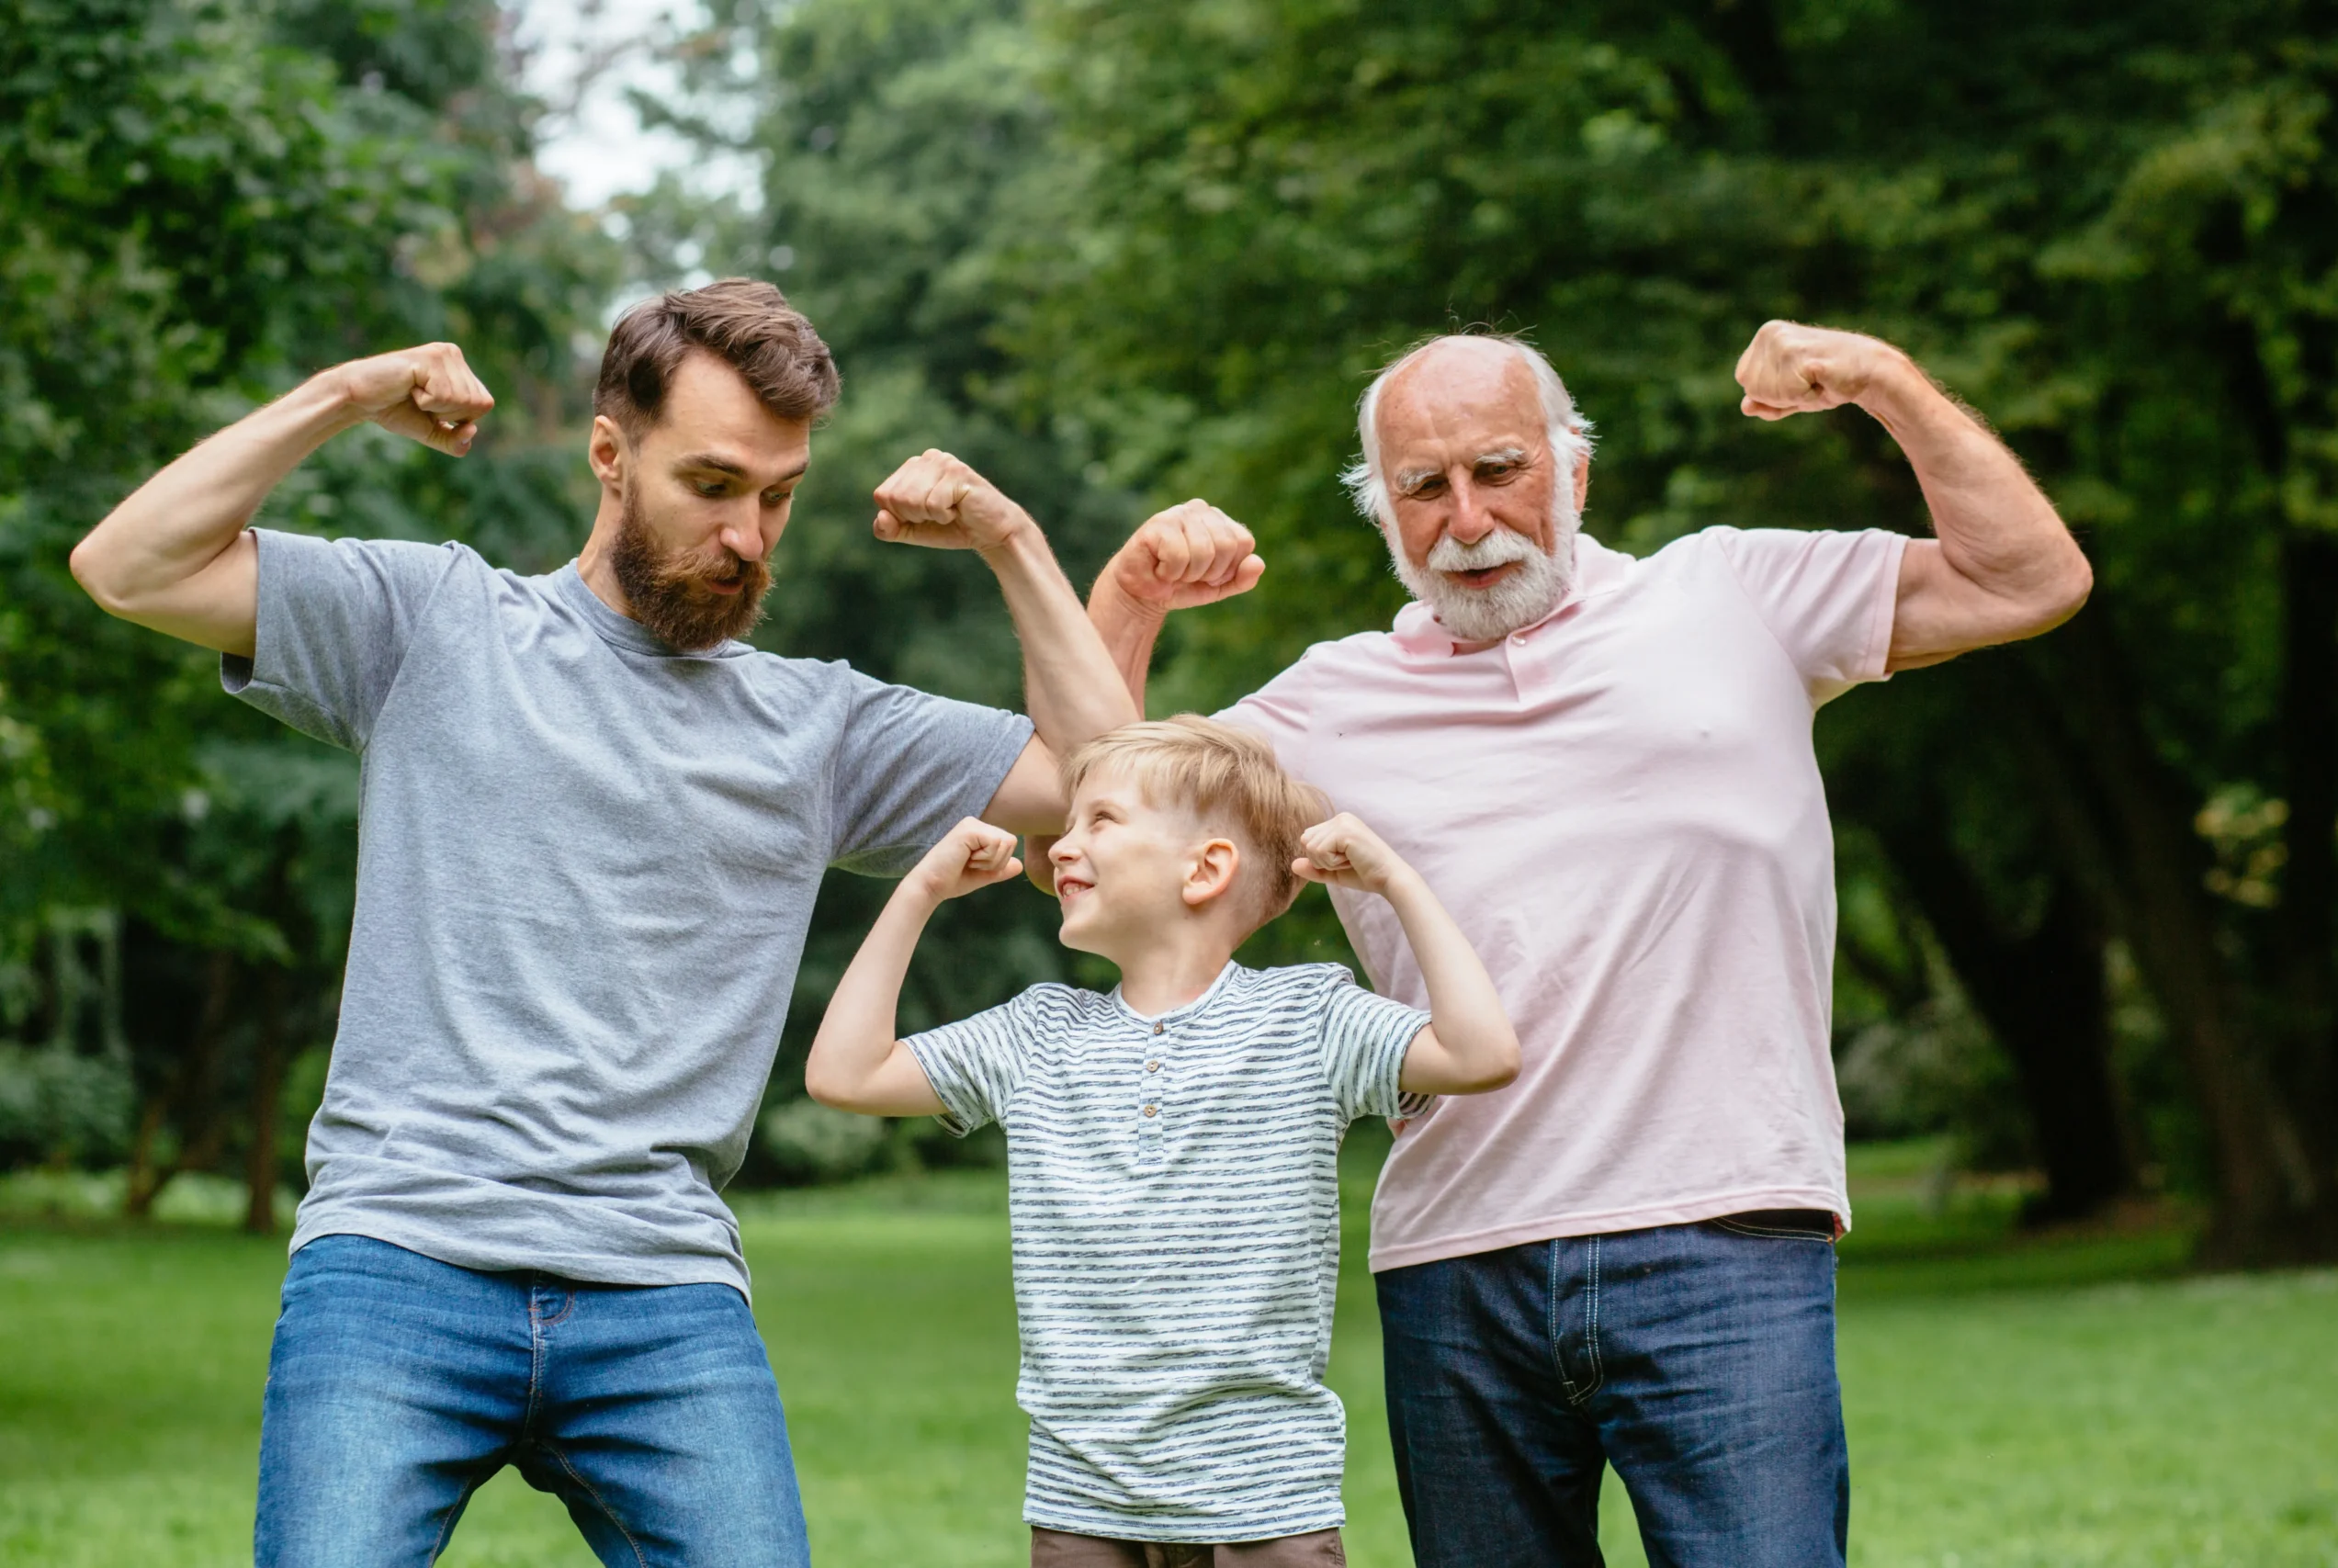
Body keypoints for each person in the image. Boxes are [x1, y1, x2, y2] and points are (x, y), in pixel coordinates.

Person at [66, 277, 1139, 1568]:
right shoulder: (434, 624)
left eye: (779, 493)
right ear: (608, 453)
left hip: (662, 1284)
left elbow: (1115, 786)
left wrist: (1011, 537)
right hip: (401, 1254)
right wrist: (348, 394)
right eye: (713, 483)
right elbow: (128, 565)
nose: (749, 534)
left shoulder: (823, 726)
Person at [1079, 323, 2095, 1567]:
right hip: (1458, 1267)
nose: (1466, 517)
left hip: (1726, 1237)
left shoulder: (1736, 594)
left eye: (1498, 468)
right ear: (1385, 515)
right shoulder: (1325, 701)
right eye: (1423, 487)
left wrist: (1884, 381)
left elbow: (2026, 578)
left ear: (1575, 471)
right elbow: (1091, 843)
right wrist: (1125, 608)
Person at [804, 716, 1520, 1566]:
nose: (1062, 846)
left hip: (1263, 1503)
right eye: (1067, 824)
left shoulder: (1308, 1018)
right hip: (1083, 1500)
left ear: (1206, 868)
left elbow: (1481, 1053)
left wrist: (1395, 880)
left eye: (1099, 820)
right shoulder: (1038, 1033)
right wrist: (916, 889)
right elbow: (844, 1074)